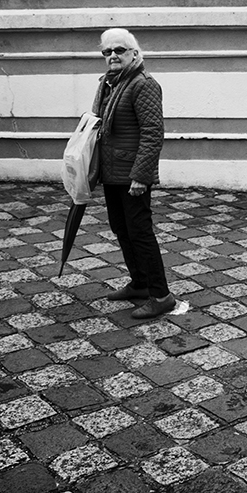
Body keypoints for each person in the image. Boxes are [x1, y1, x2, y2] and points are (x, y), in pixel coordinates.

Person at [92, 28, 174, 319]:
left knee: (140, 233)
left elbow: (153, 134)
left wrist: (141, 175)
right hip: (112, 171)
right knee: (121, 228)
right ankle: (140, 284)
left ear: (134, 53)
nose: (113, 56)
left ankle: (161, 295)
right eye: (107, 51)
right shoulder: (108, 83)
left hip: (132, 174)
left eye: (120, 50)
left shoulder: (143, 84)